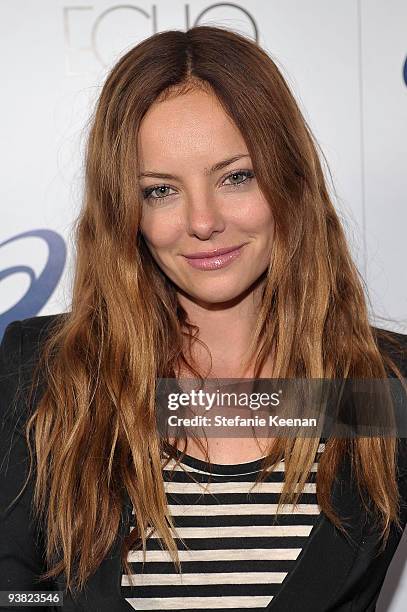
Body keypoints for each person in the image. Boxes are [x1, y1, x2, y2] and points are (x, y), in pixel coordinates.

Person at [1, 25, 407, 612]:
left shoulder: (378, 387)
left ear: (288, 177)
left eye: (235, 177)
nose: (203, 220)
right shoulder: (51, 373)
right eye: (160, 190)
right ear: (126, 211)